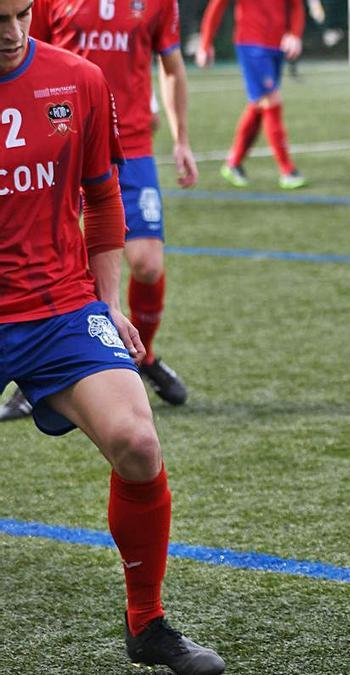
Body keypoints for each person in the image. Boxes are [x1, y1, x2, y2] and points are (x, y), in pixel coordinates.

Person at [0, 2, 225, 674]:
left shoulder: (77, 79)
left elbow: (102, 197)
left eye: (18, 14)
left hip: (59, 308)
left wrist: (106, 302)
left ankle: (146, 622)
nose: (11, 34)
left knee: (137, 441)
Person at [21, 0, 197, 414]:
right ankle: (35, 372)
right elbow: (27, 59)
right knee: (53, 261)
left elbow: (171, 67)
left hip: (132, 147)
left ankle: (143, 356)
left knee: (149, 264)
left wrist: (181, 139)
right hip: (63, 142)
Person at [197, 0, 306, 189]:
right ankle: (287, 170)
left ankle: (233, 164)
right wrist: (205, 43)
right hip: (251, 43)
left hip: (277, 45)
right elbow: (216, 5)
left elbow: (296, 4)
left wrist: (294, 34)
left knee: (258, 105)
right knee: (271, 101)